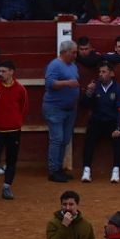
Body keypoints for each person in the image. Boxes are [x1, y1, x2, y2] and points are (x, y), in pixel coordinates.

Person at [0, 61, 27, 201]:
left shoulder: (20, 89)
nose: (0, 74)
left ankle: (7, 186)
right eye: (0, 71)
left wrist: (16, 121)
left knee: (11, 159)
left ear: (11, 72)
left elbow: (24, 108)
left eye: (3, 71)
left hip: (14, 129)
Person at [79, 62, 120, 184]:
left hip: (112, 122)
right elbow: (84, 104)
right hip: (96, 121)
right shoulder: (94, 86)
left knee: (118, 143)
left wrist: (119, 128)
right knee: (89, 142)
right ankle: (86, 170)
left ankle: (116, 171)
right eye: (100, 72)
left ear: (112, 73)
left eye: (104, 72)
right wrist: (88, 93)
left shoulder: (118, 89)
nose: (101, 74)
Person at [43, 41, 83, 183]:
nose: (75, 54)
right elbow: (49, 83)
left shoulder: (72, 66)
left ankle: (58, 168)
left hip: (69, 109)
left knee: (64, 139)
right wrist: (67, 83)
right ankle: (53, 170)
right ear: (65, 52)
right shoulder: (55, 65)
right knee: (57, 139)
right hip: (55, 108)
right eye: (73, 52)